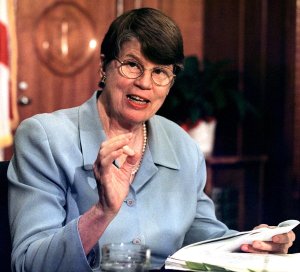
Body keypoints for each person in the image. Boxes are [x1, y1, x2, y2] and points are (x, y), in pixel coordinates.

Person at [8, 7, 295, 272]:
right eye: (132, 65)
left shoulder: (184, 148)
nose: (145, 83)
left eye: (160, 72)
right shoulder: (44, 138)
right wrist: (102, 212)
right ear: (104, 66)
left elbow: (208, 239)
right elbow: (29, 262)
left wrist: (254, 246)